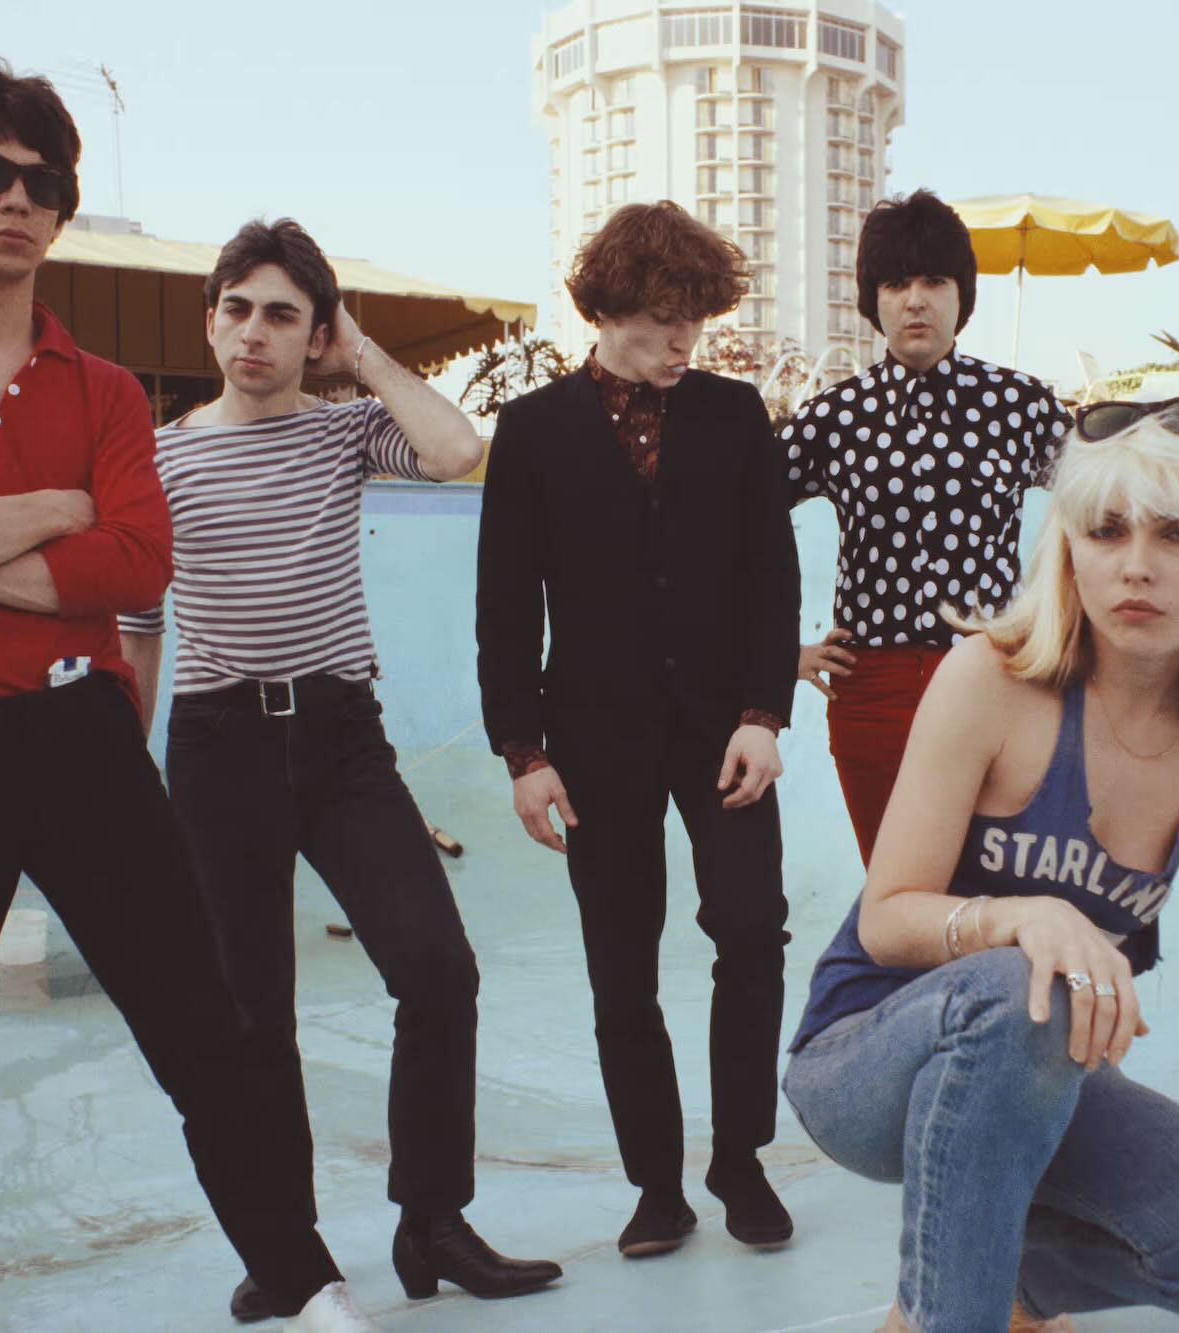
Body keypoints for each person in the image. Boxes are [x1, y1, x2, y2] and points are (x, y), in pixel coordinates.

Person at [0, 60, 355, 1331]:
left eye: (44, 183)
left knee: (210, 1039)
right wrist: (45, 512)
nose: (16, 201)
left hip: (83, 741)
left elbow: (137, 562)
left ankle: (309, 1295)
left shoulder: (101, 390)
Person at [783, 396, 1179, 1333]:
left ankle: (988, 1291)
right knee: (1021, 982)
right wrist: (1020, 917)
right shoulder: (991, 681)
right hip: (865, 1059)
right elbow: (889, 913)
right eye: (1106, 529)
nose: (1137, 563)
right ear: (1069, 549)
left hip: (1042, 1073)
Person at [116, 220, 561, 1322]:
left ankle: (432, 1218)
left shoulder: (347, 431)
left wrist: (359, 351)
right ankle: (290, 1255)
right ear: (208, 318)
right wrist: (129, 772)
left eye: (281, 313)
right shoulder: (161, 456)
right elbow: (138, 627)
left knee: (436, 967)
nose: (253, 332)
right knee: (253, 1013)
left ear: (314, 330)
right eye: (236, 308)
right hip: (216, 745)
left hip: (337, 738)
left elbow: (460, 450)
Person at [476, 201, 802, 1258]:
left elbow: (772, 577)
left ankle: (739, 1158)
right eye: (665, 319)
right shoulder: (529, 431)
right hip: (592, 736)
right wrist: (522, 754)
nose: (683, 343)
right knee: (621, 965)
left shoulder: (733, 413)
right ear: (608, 307)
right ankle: (655, 1184)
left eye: (695, 320)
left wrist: (764, 713)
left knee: (750, 927)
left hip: (722, 728)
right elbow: (501, 604)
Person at [785, 189, 1073, 866]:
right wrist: (775, 650)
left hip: (995, 678)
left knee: (997, 891)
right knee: (897, 896)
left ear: (961, 296)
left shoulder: (1019, 404)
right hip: (873, 689)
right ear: (873, 301)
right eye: (895, 282)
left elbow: (1106, 511)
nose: (915, 299)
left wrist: (1063, 629)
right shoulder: (834, 417)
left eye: (934, 280)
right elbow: (733, 527)